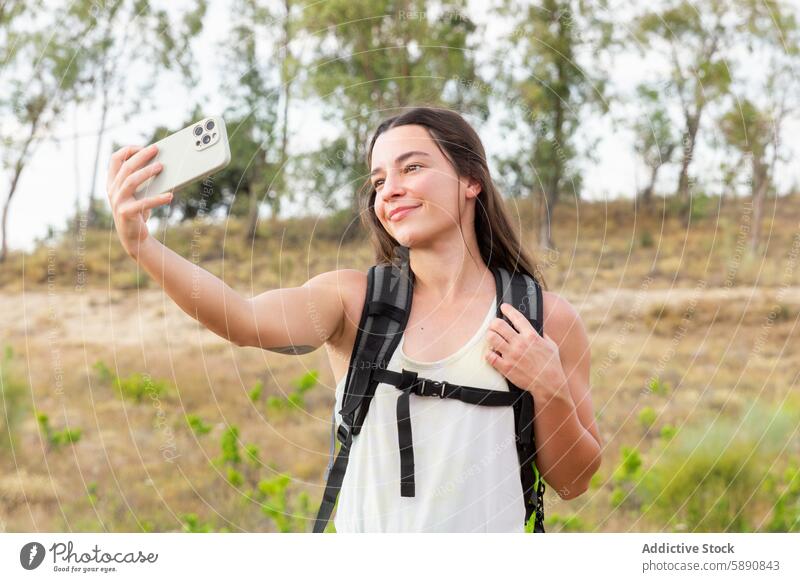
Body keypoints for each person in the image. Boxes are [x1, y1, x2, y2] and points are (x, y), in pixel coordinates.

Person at [106, 106, 602, 532]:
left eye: (412, 168)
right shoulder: (352, 301)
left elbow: (573, 480)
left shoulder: (543, 319)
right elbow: (243, 319)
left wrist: (550, 385)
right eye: (380, 180)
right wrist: (142, 246)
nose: (390, 190)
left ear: (471, 179)